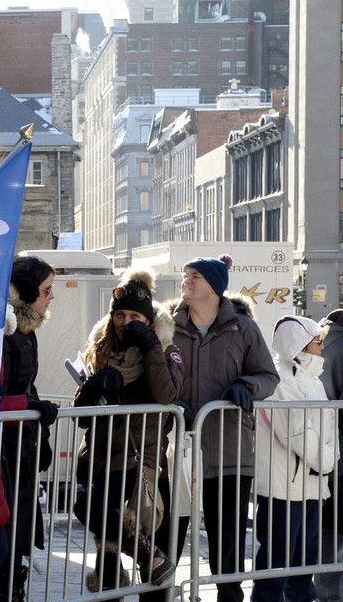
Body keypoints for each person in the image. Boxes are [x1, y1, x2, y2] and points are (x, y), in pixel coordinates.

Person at [147, 255, 278, 602]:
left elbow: (268, 375)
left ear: (215, 287)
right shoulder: (166, 326)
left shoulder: (242, 328)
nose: (186, 281)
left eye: (196, 276)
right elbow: (151, 374)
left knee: (227, 550)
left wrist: (246, 385)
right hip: (174, 451)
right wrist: (171, 401)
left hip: (229, 452)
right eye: (186, 275)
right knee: (164, 542)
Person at [72, 268, 183, 592]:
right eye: (120, 315)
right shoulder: (102, 349)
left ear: (148, 320)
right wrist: (93, 386)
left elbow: (166, 395)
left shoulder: (164, 349)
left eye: (135, 316)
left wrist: (149, 346)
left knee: (94, 512)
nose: (126, 322)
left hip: (138, 459)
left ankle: (149, 558)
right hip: (101, 456)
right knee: (98, 530)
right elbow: (82, 416)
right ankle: (148, 556)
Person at [253, 315, 337, 602]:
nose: (321, 346)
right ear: (299, 343)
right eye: (316, 341)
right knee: (278, 557)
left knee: (306, 556)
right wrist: (327, 460)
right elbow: (296, 430)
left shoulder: (311, 379)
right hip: (284, 486)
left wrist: (329, 457)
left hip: (308, 483)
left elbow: (327, 426)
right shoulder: (280, 379)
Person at [0, 256, 61, 601]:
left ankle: (12, 586)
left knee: (18, 538)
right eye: (46, 289)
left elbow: (28, 386)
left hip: (21, 448)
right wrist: (29, 407)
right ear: (25, 290)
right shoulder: (4, 332)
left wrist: (43, 434)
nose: (51, 296)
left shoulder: (27, 331)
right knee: (1, 539)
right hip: (0, 453)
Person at [316, 308, 343, 602]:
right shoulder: (336, 344)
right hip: (334, 458)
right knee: (331, 535)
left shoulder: (324, 338)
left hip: (328, 458)